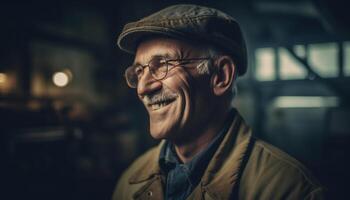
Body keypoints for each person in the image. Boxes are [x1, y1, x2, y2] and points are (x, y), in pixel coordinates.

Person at [112, 4, 324, 200]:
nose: (143, 88)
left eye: (163, 64)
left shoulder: (288, 189)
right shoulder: (130, 181)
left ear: (221, 76)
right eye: (139, 72)